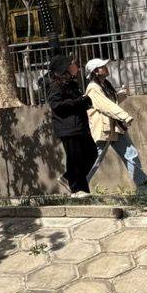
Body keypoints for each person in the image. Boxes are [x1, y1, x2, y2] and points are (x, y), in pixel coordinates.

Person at [84, 59, 147, 193]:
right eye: (102, 67)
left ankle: (142, 186)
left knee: (130, 153)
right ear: (95, 72)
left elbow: (111, 102)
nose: (105, 68)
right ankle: (78, 186)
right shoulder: (93, 87)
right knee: (94, 159)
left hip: (114, 126)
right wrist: (124, 115)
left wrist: (122, 94)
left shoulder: (105, 85)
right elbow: (105, 105)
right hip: (103, 128)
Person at [45, 56, 96, 197]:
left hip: (80, 126)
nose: (76, 66)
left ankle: (68, 178)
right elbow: (56, 105)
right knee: (75, 158)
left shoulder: (72, 83)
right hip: (68, 127)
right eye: (73, 63)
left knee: (92, 153)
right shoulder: (56, 85)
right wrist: (78, 102)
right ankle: (78, 189)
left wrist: (84, 102)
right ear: (65, 67)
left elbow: (76, 102)